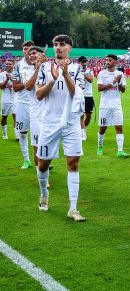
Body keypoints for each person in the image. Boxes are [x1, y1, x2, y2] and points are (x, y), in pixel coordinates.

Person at [35, 34, 86, 221]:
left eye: (62, 44)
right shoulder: (45, 68)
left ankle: (73, 208)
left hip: (71, 121)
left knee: (73, 163)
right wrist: (53, 79)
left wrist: (65, 75)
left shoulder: (77, 69)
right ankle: (43, 194)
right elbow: (39, 95)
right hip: (50, 121)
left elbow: (76, 95)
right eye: (56, 44)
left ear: (70, 48)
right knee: (43, 163)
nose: (58, 47)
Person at [97, 54, 129, 157]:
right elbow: (99, 88)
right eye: (106, 60)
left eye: (110, 60)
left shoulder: (120, 74)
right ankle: (100, 147)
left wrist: (119, 82)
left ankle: (120, 151)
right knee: (103, 128)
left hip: (116, 105)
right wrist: (113, 82)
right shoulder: (102, 73)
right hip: (105, 105)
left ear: (115, 62)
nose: (107, 62)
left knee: (119, 127)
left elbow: (123, 90)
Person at [12, 41, 35, 169]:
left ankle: (43, 161)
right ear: (22, 50)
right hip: (22, 103)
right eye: (25, 49)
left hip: (38, 103)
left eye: (30, 49)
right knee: (23, 133)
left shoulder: (40, 64)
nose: (27, 51)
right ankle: (26, 160)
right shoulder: (18, 66)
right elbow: (15, 87)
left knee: (41, 133)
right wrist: (27, 83)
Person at [79, 56, 94, 141]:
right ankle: (82, 133)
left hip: (88, 95)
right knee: (81, 115)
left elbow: (91, 80)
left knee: (88, 116)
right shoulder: (76, 70)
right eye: (83, 62)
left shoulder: (89, 71)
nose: (84, 63)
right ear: (79, 63)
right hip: (80, 95)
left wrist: (83, 74)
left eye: (85, 62)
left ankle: (84, 128)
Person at [0, 59, 16, 139]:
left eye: (9, 64)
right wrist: (7, 79)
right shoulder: (2, 74)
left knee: (15, 115)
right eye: (6, 64)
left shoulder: (16, 74)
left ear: (13, 65)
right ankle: (4, 134)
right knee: (4, 117)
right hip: (5, 99)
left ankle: (17, 135)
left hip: (15, 98)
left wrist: (12, 80)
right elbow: (1, 87)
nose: (8, 65)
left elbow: (19, 84)